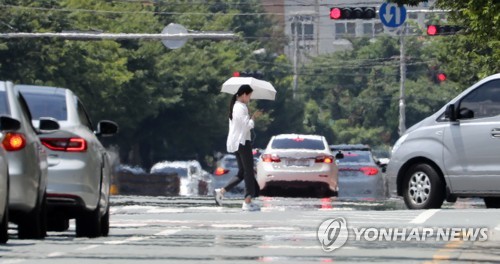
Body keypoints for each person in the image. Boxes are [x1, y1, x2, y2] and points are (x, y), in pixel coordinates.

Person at [214, 84, 262, 211]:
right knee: (249, 172)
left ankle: (222, 191)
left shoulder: (237, 106)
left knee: (242, 172)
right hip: (242, 142)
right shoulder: (240, 107)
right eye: (249, 96)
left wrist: (249, 117)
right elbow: (246, 126)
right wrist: (253, 119)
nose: (250, 99)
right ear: (244, 95)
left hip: (237, 142)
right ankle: (247, 201)